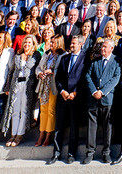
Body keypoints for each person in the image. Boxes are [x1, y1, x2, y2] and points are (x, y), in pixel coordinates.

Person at [46, 34, 87, 164]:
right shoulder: (64, 59)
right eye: (71, 43)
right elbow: (58, 78)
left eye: (74, 43)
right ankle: (56, 153)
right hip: (63, 98)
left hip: (76, 98)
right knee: (59, 126)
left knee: (74, 127)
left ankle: (71, 154)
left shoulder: (85, 59)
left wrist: (75, 92)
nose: (71, 45)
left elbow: (84, 79)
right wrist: (62, 91)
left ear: (80, 44)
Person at [82, 38, 120, 164]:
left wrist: (102, 92)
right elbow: (88, 75)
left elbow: (115, 78)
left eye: (105, 47)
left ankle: (106, 153)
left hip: (107, 99)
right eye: (102, 47)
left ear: (111, 48)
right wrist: (94, 91)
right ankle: (90, 152)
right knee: (91, 127)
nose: (102, 49)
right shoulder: (95, 61)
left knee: (107, 127)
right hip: (93, 99)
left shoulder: (116, 61)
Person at [1, 35, 38, 147]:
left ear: (33, 45)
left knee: (24, 110)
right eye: (25, 42)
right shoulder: (17, 55)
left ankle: (20, 135)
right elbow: (11, 71)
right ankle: (13, 134)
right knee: (15, 110)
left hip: (27, 86)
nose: (27, 45)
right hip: (16, 85)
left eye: (29, 43)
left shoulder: (35, 56)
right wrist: (7, 87)